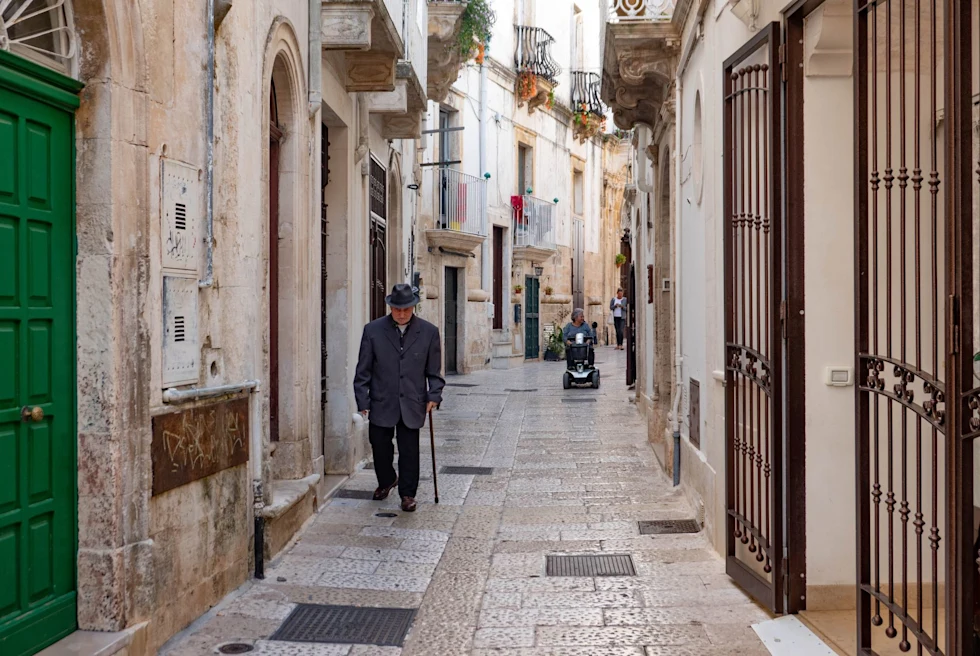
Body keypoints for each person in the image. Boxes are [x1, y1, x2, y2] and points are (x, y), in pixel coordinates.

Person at [354, 283, 445, 512]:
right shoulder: (372, 331)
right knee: (379, 445)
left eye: (406, 309)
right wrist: (363, 402)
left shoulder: (429, 332)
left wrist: (434, 395)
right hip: (381, 400)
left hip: (412, 402)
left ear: (413, 307)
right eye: (397, 309)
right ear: (390, 307)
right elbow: (362, 371)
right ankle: (387, 480)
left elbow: (434, 372)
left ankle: (407, 494)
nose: (402, 313)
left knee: (409, 450)